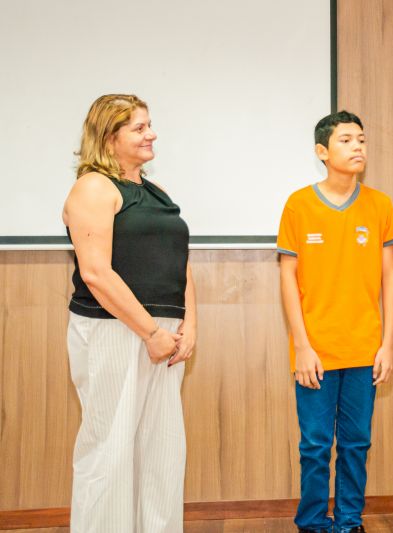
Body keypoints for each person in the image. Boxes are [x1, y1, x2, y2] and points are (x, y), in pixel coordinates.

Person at [62, 94, 196, 532]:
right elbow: (96, 273)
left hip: (164, 336)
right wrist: (150, 333)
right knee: (110, 449)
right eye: (139, 128)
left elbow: (181, 263)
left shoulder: (157, 193)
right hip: (114, 330)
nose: (151, 134)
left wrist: (188, 326)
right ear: (109, 137)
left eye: (149, 124)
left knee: (162, 452)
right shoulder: (94, 187)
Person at [277, 110, 393, 533]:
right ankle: (312, 523)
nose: (357, 147)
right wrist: (302, 346)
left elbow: (390, 277)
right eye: (346, 140)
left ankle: (349, 521)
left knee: (356, 443)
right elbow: (288, 278)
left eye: (361, 139)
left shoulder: (380, 204)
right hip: (316, 351)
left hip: (365, 349)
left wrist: (388, 344)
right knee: (314, 445)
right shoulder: (299, 204)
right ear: (322, 152)